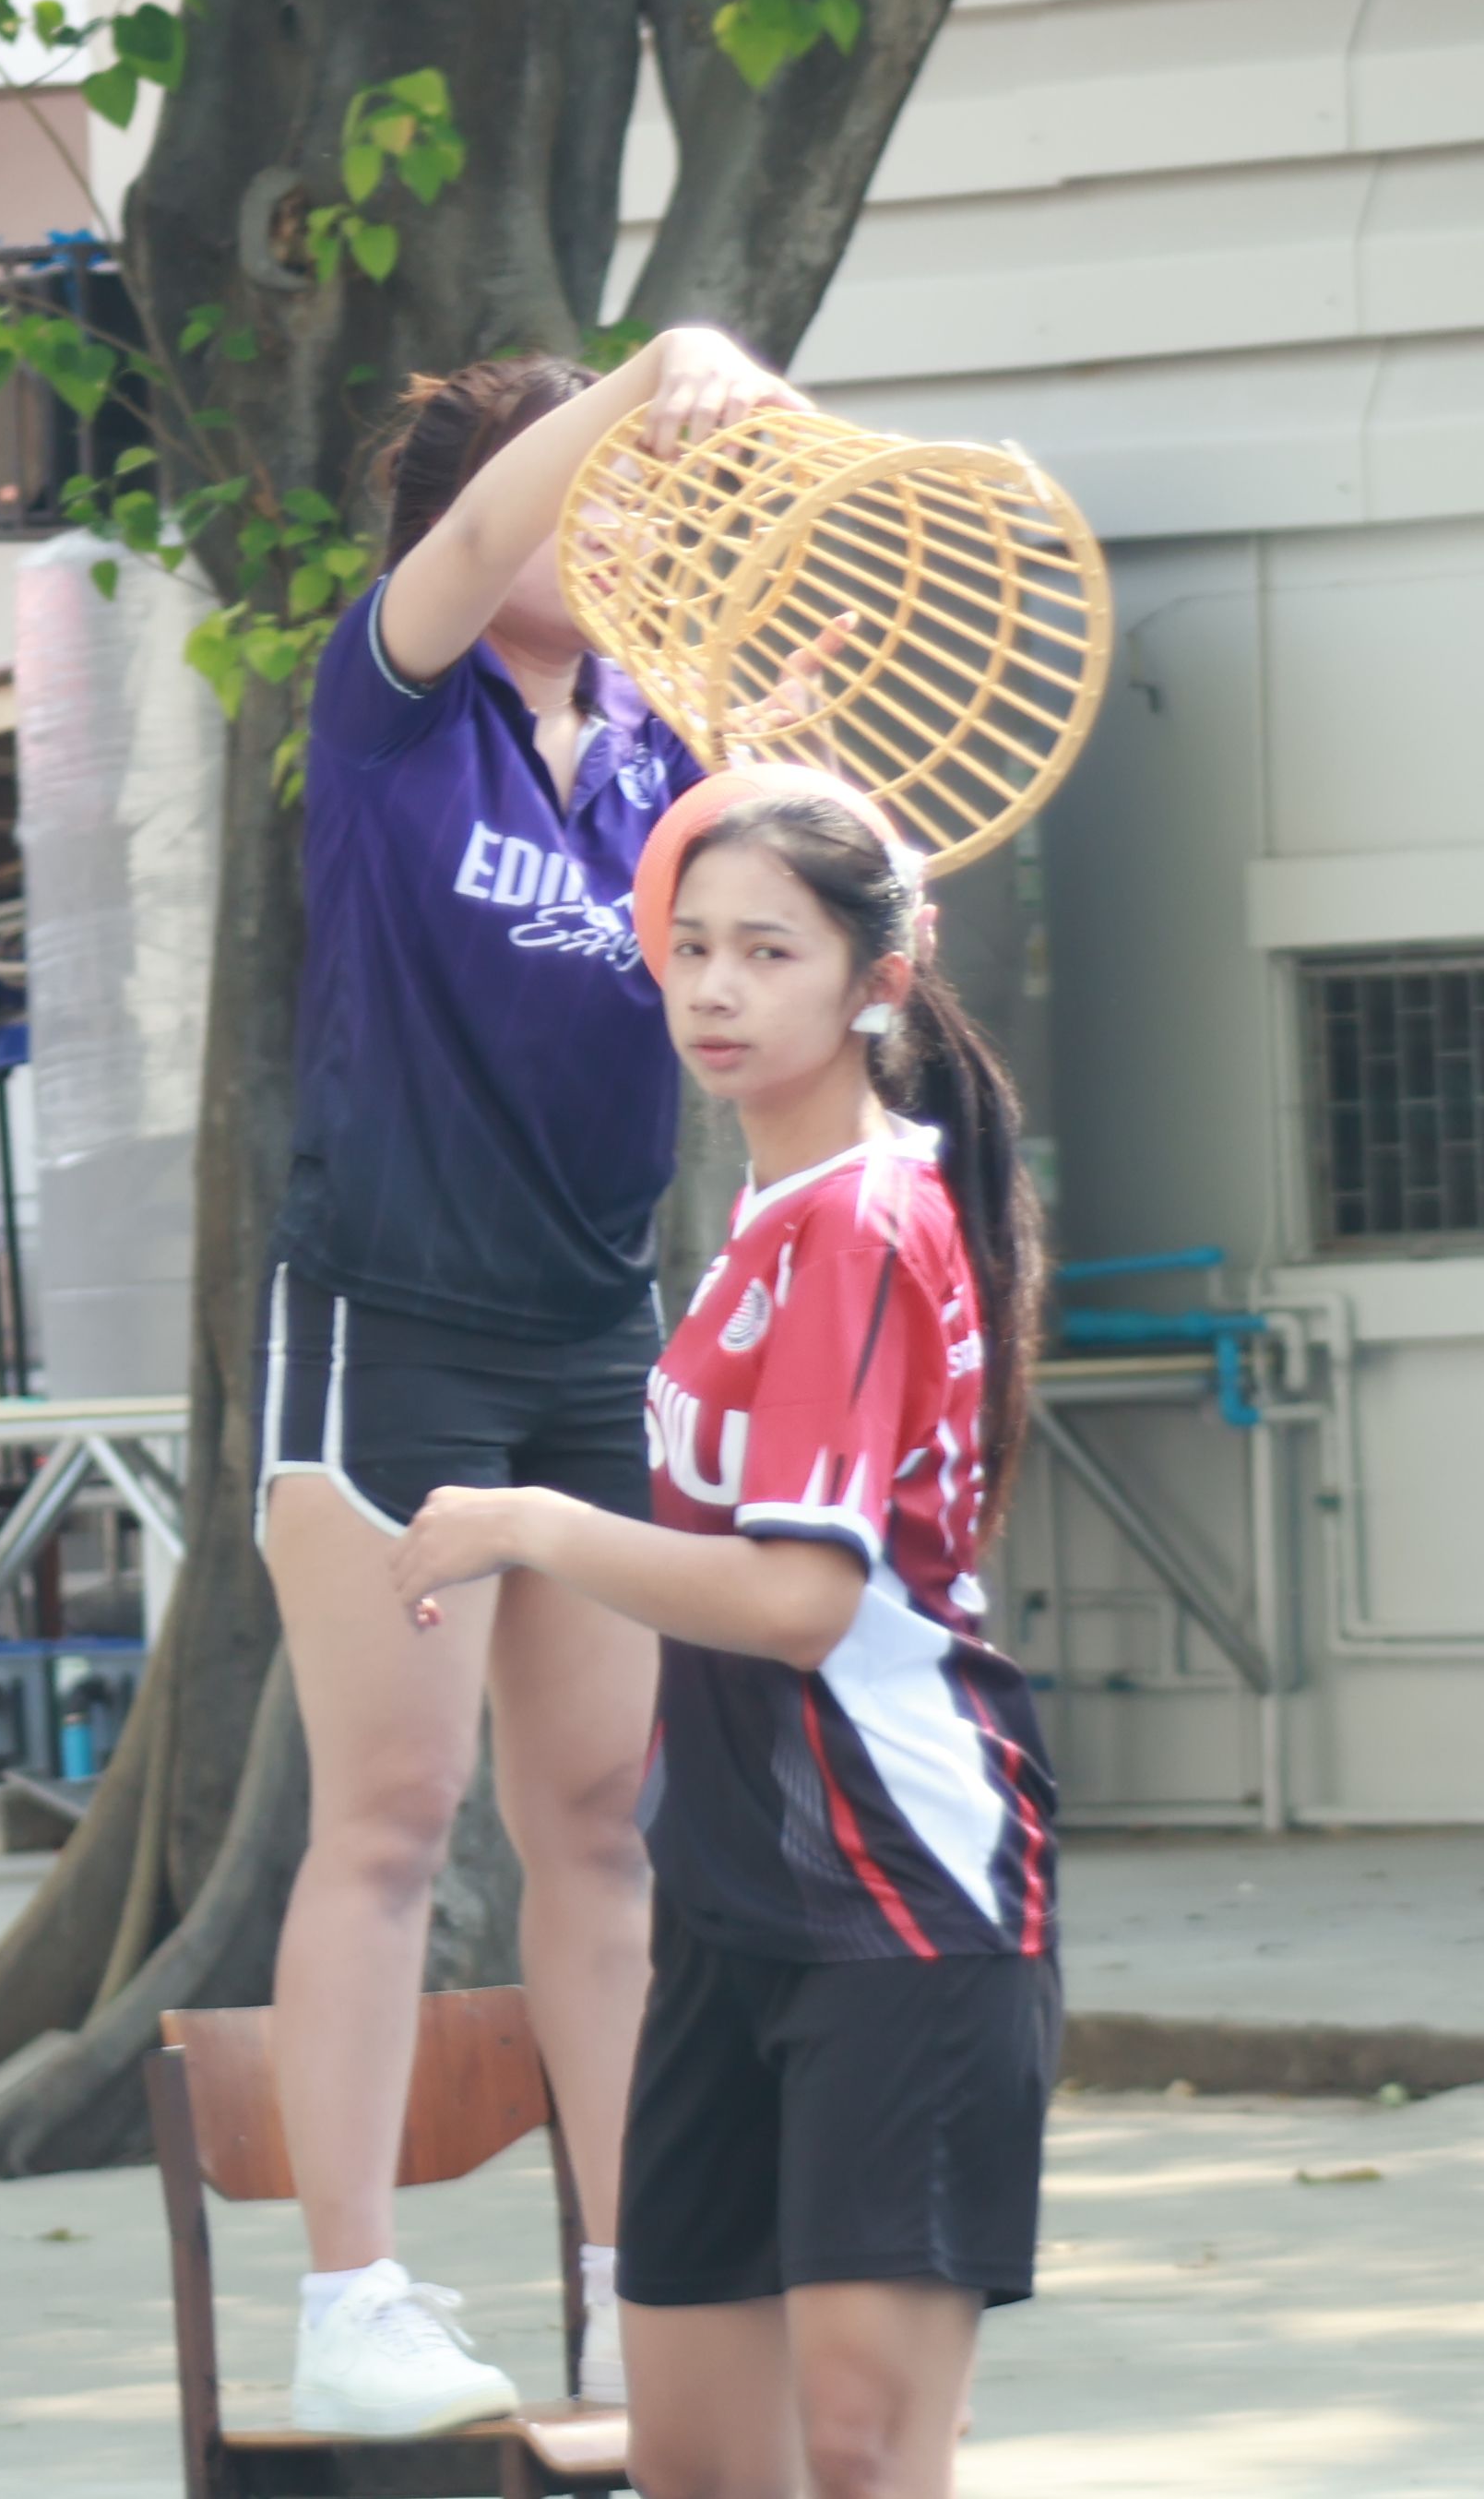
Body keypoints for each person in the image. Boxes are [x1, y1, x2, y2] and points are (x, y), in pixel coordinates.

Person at [385, 768, 1061, 2499]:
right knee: (694, 2461)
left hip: (903, 1897)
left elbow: (796, 1600)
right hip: (730, 1903)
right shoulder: (775, 1212)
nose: (714, 987)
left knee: (862, 2454)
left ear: (878, 980)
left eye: (769, 951)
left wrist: (532, 1523)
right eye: (690, 947)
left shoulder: (861, 1218)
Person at [259, 327, 796, 2434]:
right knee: (393, 1818)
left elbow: (764, 973)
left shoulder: (664, 758)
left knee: (598, 1825)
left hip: (593, 1332)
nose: (618, 530)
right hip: (388, 1322)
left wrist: (787, 768)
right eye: (595, 497)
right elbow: (495, 515)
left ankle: (622, 2284)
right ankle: (350, 2301)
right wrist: (659, 367)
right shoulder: (396, 695)